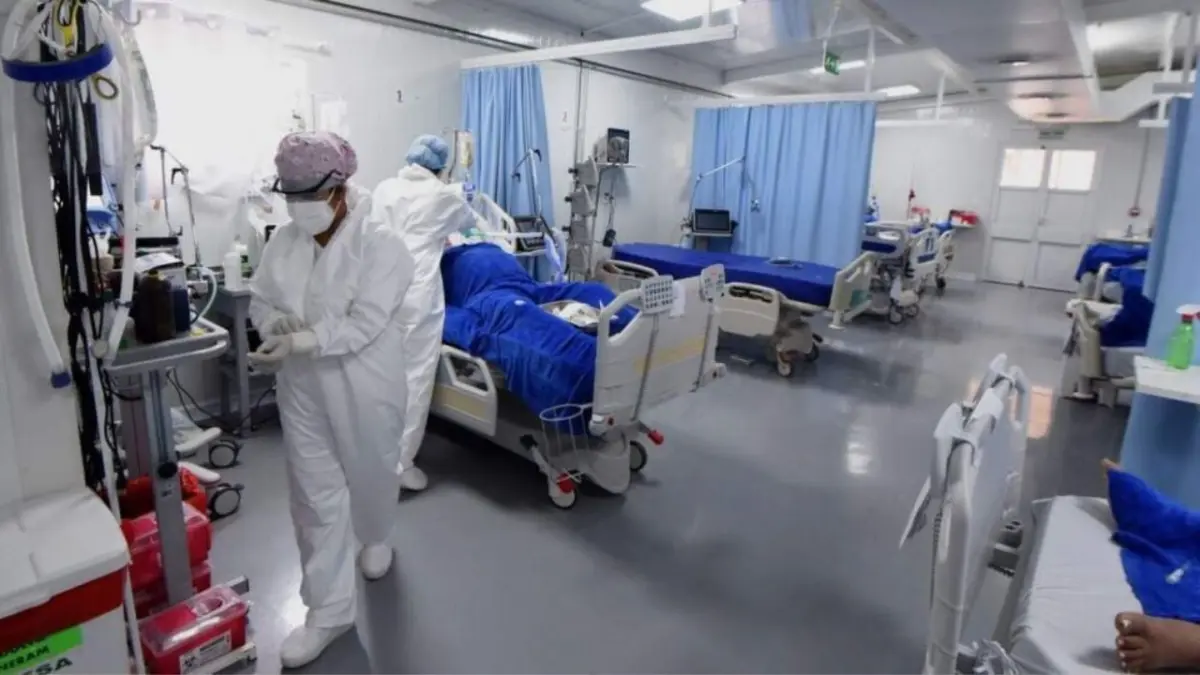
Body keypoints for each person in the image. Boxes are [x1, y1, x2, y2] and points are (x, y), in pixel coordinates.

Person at [247, 131, 414, 669]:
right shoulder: (284, 242)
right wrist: (274, 324)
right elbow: (260, 299)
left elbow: (366, 321)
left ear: (340, 189)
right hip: (302, 387)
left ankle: (376, 534)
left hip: (365, 381)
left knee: (372, 471)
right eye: (291, 195)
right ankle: (329, 612)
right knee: (314, 495)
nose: (299, 207)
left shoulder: (382, 244)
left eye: (309, 195)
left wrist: (306, 339)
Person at [371, 134, 477, 494]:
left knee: (380, 375)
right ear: (440, 167)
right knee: (414, 378)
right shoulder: (442, 194)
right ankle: (399, 465)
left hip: (381, 292)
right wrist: (459, 193)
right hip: (417, 295)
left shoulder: (384, 189)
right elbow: (468, 222)